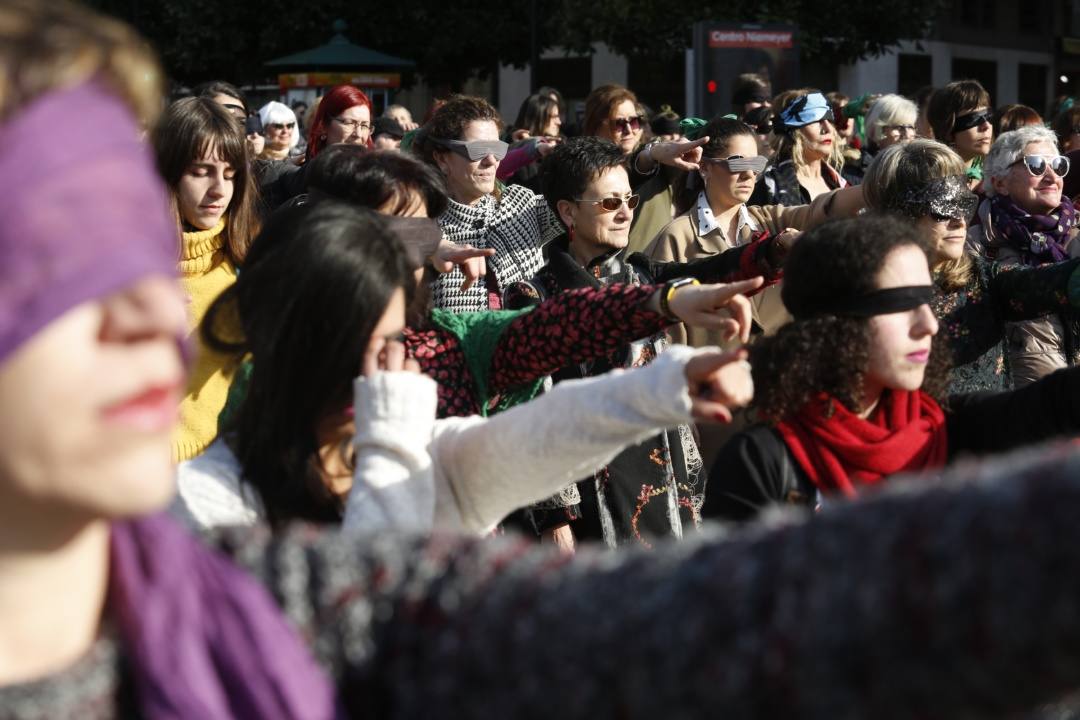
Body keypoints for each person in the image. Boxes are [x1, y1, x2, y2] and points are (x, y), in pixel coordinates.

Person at [21, 3, 1080, 718]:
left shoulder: (254, 585)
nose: (141, 323)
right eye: (60, 274)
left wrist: (665, 358)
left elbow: (698, 601)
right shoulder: (213, 516)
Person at [704, 216, 1080, 523]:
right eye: (901, 304)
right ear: (834, 322)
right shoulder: (762, 462)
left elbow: (1055, 404)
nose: (928, 325)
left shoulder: (946, 429)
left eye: (927, 300)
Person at [502, 136, 769, 548]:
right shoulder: (533, 296)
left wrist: (775, 253)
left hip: (669, 479)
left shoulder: (640, 276)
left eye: (630, 200)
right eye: (610, 203)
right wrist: (556, 517)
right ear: (567, 211)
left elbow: (709, 271)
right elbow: (534, 413)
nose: (626, 212)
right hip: (593, 492)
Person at [863, 139, 1080, 393]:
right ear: (900, 213)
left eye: (963, 204)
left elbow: (1035, 283)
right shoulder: (863, 291)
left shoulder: (982, 277)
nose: (959, 220)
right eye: (943, 207)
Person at [644, 115, 868, 349]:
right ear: (705, 167)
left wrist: (877, 186)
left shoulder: (768, 220)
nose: (749, 174)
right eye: (738, 163)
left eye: (756, 164)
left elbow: (822, 210)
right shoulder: (676, 237)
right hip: (716, 377)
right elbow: (668, 338)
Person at [151, 96, 259, 461]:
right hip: (141, 474)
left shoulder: (250, 262)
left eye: (230, 175)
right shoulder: (121, 272)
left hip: (225, 472)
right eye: (201, 171)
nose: (219, 190)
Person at [969, 125, 1080, 385]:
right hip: (1019, 406)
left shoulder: (1077, 233)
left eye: (1059, 165)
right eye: (1037, 165)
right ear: (1000, 182)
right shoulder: (978, 243)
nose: (1052, 176)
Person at [749, 90, 847, 207]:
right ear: (792, 130)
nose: (828, 129)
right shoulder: (769, 186)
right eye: (816, 120)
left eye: (829, 120)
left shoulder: (841, 183)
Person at [926, 79, 993, 188]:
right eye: (974, 119)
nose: (986, 126)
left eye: (988, 116)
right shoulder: (928, 180)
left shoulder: (996, 180)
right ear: (947, 129)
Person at [305, 84, 374, 161]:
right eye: (349, 123)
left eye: (364, 125)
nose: (358, 134)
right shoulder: (305, 171)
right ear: (323, 126)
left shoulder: (377, 171)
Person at [582, 84, 643, 157]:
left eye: (633, 120)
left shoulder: (650, 161)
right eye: (619, 123)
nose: (629, 130)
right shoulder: (585, 166)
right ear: (595, 127)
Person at [863, 94, 918, 158]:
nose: (907, 134)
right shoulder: (857, 165)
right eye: (898, 127)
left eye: (910, 127)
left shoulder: (919, 165)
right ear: (876, 129)